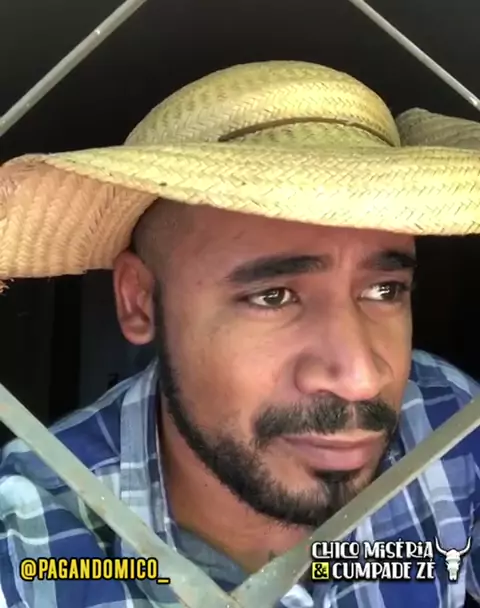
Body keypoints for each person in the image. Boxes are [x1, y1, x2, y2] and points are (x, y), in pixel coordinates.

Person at [0, 60, 480, 608]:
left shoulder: (449, 418)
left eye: (385, 289)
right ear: (139, 301)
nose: (361, 378)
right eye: (272, 296)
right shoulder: (27, 540)